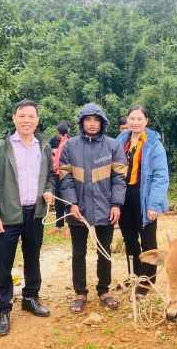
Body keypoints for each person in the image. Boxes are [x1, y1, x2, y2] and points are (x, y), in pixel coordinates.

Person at [0, 100, 55, 336]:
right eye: (22, 116)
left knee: (33, 258)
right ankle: (3, 308)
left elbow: (51, 176)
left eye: (31, 116)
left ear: (37, 119)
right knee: (3, 263)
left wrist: (49, 191)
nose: (27, 120)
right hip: (7, 216)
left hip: (34, 214)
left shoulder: (42, 146)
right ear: (14, 118)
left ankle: (31, 297)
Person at [59, 103, 127, 313]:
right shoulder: (70, 145)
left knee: (104, 251)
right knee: (78, 252)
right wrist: (72, 203)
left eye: (95, 120)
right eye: (87, 120)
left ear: (102, 123)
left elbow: (119, 178)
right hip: (78, 210)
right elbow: (65, 177)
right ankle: (80, 292)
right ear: (82, 122)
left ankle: (103, 290)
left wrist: (116, 204)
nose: (91, 123)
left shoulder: (113, 145)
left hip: (105, 208)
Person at [116, 105, 168, 296]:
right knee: (129, 239)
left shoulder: (154, 144)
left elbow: (160, 176)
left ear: (146, 121)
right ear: (127, 121)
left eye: (139, 119)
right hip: (124, 196)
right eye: (132, 118)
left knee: (148, 241)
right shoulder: (120, 141)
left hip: (144, 196)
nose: (135, 122)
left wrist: (154, 204)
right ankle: (134, 276)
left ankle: (147, 281)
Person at [50, 120, 71, 235]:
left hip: (64, 175)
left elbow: (60, 162)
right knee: (59, 200)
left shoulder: (66, 144)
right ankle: (59, 225)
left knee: (66, 200)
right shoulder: (63, 143)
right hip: (58, 175)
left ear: (58, 133)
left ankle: (70, 227)